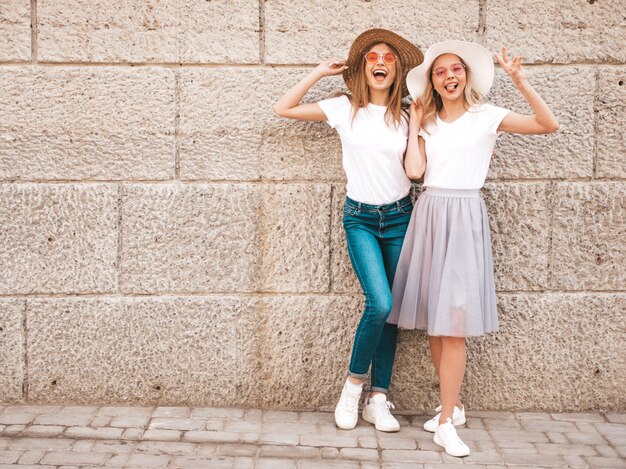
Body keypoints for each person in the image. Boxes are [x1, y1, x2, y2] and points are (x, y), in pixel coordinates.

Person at [388, 41, 559, 457]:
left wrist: (520, 80)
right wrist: (414, 124)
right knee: (435, 318)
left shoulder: (488, 117)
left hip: (464, 216)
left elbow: (547, 125)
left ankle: (446, 421)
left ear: (466, 76)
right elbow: (414, 172)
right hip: (429, 212)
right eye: (440, 71)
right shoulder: (427, 122)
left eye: (456, 70)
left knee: (455, 321)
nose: (449, 76)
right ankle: (455, 407)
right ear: (432, 81)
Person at [272, 29, 423, 432]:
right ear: (361, 68)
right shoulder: (344, 107)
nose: (380, 62)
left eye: (389, 58)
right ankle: (353, 387)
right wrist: (319, 73)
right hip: (360, 218)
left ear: (398, 71)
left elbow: (423, 164)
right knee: (380, 302)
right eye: (373, 57)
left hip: (401, 218)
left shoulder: (409, 115)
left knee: (392, 314)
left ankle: (379, 399)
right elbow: (283, 109)